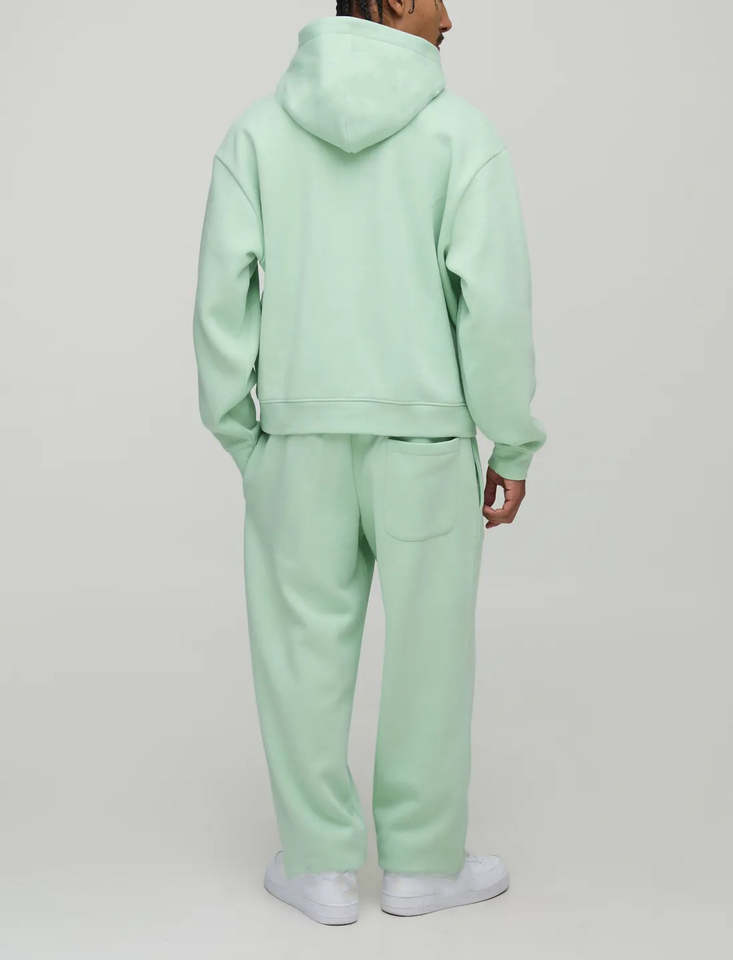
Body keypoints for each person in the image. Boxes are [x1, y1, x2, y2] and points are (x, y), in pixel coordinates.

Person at [192, 0, 546, 925]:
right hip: (425, 444)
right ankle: (424, 865)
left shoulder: (257, 133)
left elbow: (221, 299)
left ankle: (318, 869)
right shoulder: (460, 135)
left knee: (300, 650)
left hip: (297, 441)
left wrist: (246, 437)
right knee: (432, 652)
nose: (449, 16)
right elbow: (493, 304)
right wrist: (509, 439)